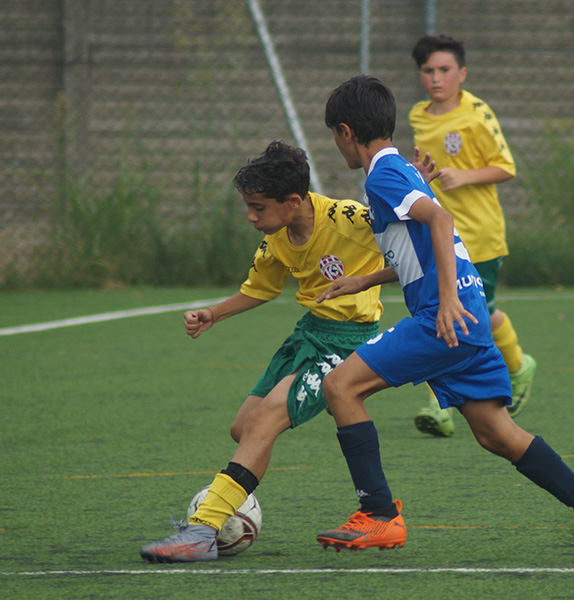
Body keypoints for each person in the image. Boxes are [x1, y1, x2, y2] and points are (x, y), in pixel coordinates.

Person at [315, 75, 574, 563]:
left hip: (444, 317)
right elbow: (418, 250)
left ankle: (378, 514)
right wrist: (364, 281)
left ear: (345, 131)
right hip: (470, 315)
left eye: (334, 137)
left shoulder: (383, 176)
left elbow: (442, 223)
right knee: (496, 434)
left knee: (340, 387)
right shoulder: (400, 169)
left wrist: (445, 302)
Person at [139, 140, 389, 563]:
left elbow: (412, 241)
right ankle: (234, 500)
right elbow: (260, 289)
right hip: (309, 334)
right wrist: (213, 314)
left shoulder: (349, 218)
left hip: (349, 341)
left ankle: (202, 530)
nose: (251, 217)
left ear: (293, 202)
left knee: (262, 423)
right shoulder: (277, 238)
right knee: (243, 428)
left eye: (258, 208)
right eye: (248, 207)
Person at [408, 34, 536, 438]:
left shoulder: (477, 115)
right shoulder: (417, 116)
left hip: (479, 235)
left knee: (476, 314)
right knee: (441, 313)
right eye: (428, 70)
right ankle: (442, 403)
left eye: (444, 70)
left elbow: (505, 166)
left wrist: (464, 176)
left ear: (462, 73)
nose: (436, 78)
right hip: (439, 236)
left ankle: (517, 367)